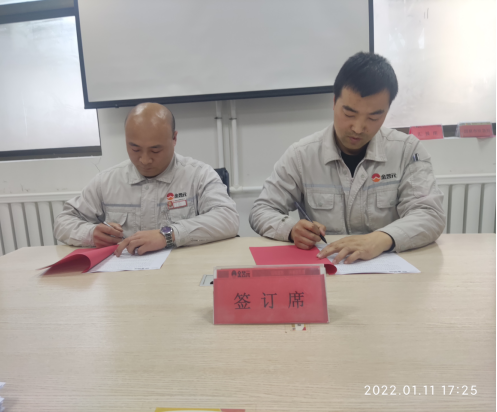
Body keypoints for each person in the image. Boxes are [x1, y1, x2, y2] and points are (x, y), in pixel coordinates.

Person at [249, 52, 446, 264]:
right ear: (334, 102)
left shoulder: (407, 151)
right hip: (329, 270)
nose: (358, 128)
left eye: (374, 117)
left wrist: (381, 239)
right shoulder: (302, 155)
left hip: (388, 272)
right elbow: (262, 210)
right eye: (349, 114)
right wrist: (290, 230)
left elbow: (430, 214)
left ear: (387, 111)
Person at [54, 103, 239, 256]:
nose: (144, 160)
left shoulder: (199, 175)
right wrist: (90, 233)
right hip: (124, 278)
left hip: (182, 273)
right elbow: (63, 221)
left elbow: (228, 218)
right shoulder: (107, 181)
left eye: (155, 150)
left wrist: (169, 235)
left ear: (174, 138)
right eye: (135, 149)